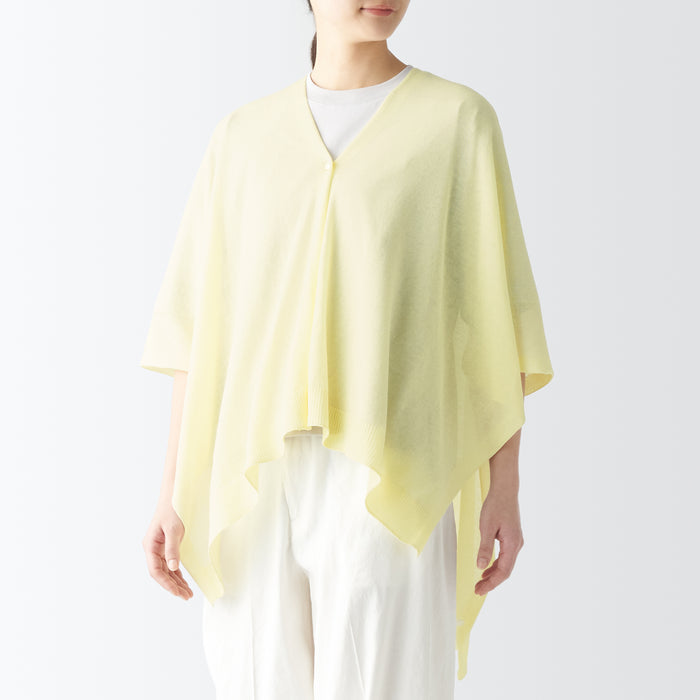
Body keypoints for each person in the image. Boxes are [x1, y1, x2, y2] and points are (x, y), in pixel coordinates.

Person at [140, 1, 554, 698]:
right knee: (254, 677)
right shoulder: (241, 138)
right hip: (250, 474)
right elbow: (198, 330)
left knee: (383, 682)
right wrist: (172, 491)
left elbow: (496, 323)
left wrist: (504, 487)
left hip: (392, 468)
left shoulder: (457, 123)